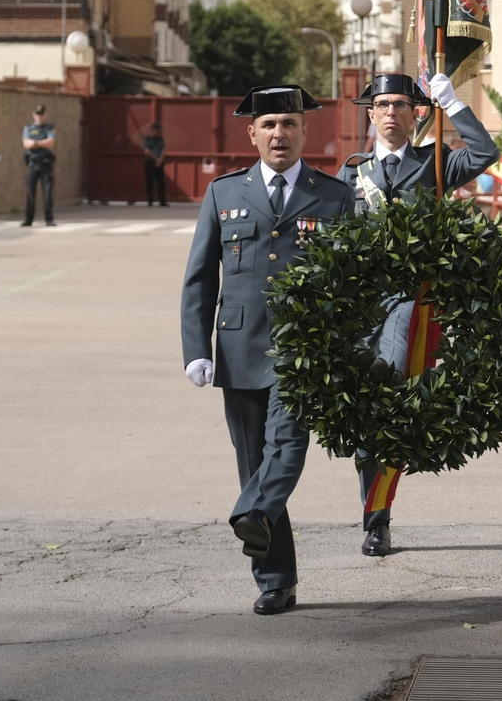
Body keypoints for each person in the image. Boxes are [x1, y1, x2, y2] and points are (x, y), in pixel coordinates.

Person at [178, 84, 351, 616]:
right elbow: (200, 276)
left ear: (306, 132)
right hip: (239, 346)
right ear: (252, 133)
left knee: (287, 445)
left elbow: (352, 281)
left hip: (305, 347)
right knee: (253, 460)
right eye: (270, 124)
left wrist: (346, 346)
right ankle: (275, 579)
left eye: (290, 124)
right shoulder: (223, 194)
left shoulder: (335, 197)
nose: (280, 134)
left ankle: (250, 513)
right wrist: (196, 348)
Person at [337, 72, 498, 557]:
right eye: (382, 105)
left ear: (416, 114)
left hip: (412, 301)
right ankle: (374, 516)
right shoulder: (352, 172)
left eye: (401, 105)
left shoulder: (435, 164)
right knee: (368, 412)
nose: (391, 113)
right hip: (362, 304)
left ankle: (378, 517)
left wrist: (455, 104)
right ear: (370, 115)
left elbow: (486, 154)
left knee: (391, 389)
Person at [21, 104, 57, 227]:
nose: (39, 117)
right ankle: (28, 219)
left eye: (41, 114)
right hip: (32, 163)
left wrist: (35, 143)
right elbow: (26, 143)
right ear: (34, 115)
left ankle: (49, 219)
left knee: (47, 193)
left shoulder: (49, 128)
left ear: (45, 115)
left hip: (45, 163)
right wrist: (42, 143)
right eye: (37, 114)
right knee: (30, 193)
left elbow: (51, 143)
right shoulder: (28, 128)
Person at [143, 122, 168, 207]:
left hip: (159, 163)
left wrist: (160, 160)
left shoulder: (160, 139)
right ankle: (150, 201)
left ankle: (162, 201)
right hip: (150, 162)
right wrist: (156, 159)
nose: (157, 133)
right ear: (152, 130)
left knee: (161, 183)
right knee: (150, 182)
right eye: (155, 131)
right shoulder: (147, 139)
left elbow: (163, 149)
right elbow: (147, 150)